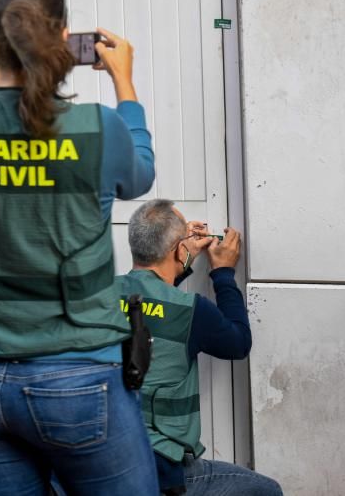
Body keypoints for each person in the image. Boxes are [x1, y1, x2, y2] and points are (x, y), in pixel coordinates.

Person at [0, 0, 157, 495]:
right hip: (78, 381)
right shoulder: (98, 127)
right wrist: (124, 83)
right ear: (64, 40)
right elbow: (140, 176)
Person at [118, 199, 283, 496]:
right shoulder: (192, 311)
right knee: (266, 491)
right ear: (178, 249)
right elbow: (237, 343)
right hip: (159, 468)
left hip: (96, 459)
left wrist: (180, 260)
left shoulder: (97, 294)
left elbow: (146, 305)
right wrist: (222, 272)